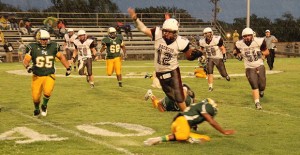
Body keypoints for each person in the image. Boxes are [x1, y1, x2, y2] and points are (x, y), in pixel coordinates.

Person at [128, 8, 203, 111]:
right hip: (160, 72)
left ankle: (188, 118)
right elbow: (143, 29)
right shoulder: (158, 33)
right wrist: (135, 19)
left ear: (175, 32)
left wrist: (195, 55)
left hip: (173, 71)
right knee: (173, 98)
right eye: (165, 31)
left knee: (179, 99)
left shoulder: (181, 42)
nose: (165, 34)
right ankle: (185, 88)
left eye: (169, 32)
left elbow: (188, 56)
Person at [143, 98, 235, 146]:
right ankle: (156, 139)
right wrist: (223, 131)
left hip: (177, 122)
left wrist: (194, 125)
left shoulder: (197, 105)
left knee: (205, 138)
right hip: (182, 122)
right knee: (183, 136)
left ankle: (190, 139)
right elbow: (211, 121)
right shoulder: (205, 106)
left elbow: (192, 116)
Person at [23, 30, 71, 117]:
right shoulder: (32, 47)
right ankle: (37, 108)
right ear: (38, 39)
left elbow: (61, 57)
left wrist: (68, 68)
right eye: (43, 39)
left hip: (49, 74)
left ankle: (44, 105)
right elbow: (26, 60)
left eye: (46, 39)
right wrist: (27, 67)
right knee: (35, 97)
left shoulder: (53, 46)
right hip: (37, 75)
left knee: (47, 92)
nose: (45, 41)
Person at [233, 27, 269, 110]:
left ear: (252, 35)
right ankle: (257, 103)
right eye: (245, 36)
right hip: (249, 67)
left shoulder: (259, 41)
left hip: (259, 65)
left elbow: (267, 52)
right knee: (254, 84)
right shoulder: (239, 43)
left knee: (262, 85)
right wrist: (236, 55)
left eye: (249, 35)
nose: (247, 37)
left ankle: (261, 90)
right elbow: (236, 52)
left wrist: (261, 53)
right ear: (243, 37)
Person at [199, 27, 230, 92]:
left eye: (208, 33)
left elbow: (222, 48)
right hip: (209, 58)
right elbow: (201, 49)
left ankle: (226, 75)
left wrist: (224, 55)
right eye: (206, 33)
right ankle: (210, 87)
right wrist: (200, 55)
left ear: (211, 33)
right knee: (209, 72)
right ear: (204, 34)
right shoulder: (202, 41)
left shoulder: (217, 39)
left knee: (223, 73)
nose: (207, 35)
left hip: (218, 57)